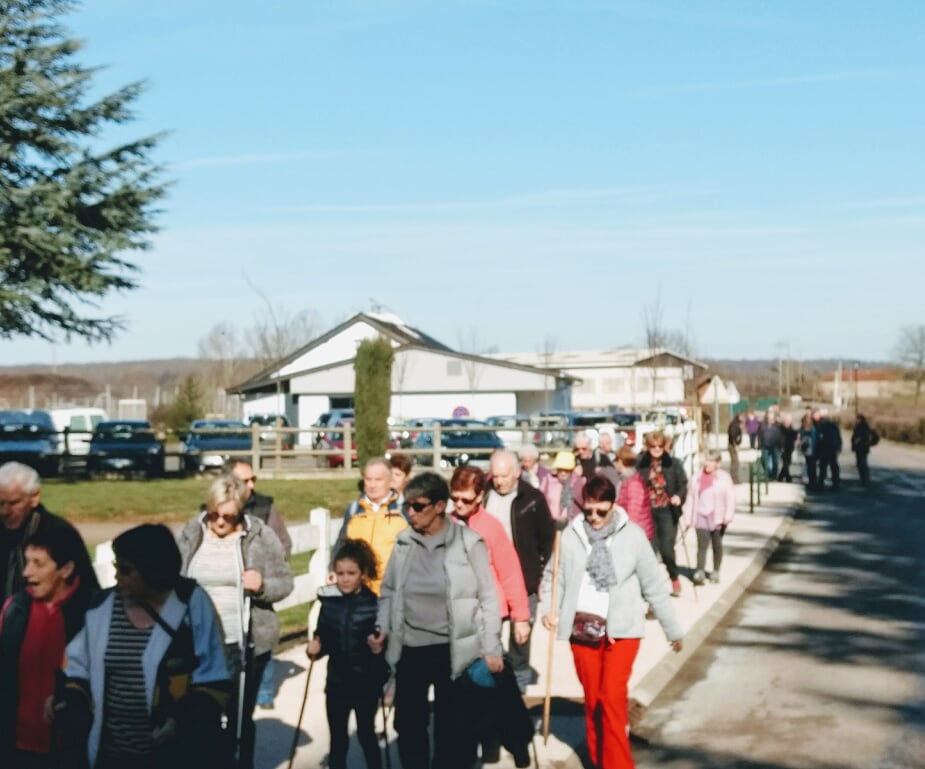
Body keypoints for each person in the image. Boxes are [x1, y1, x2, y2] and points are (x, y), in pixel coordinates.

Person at [540, 476, 683, 769]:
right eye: (589, 510)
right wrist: (550, 609)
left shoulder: (633, 536)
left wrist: (673, 629)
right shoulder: (570, 536)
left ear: (614, 507)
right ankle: (599, 762)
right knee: (593, 701)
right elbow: (555, 578)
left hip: (623, 631)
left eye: (601, 512)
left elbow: (654, 586)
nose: (593, 518)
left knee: (612, 698)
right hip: (582, 630)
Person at [63, 524, 231, 769]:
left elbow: (215, 676)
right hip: (111, 757)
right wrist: (69, 700)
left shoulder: (191, 603)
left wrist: (179, 721)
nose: (117, 577)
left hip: (177, 755)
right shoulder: (102, 607)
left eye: (126, 570)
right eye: (116, 568)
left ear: (153, 570)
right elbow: (77, 667)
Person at [369, 472, 505, 769]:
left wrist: (492, 647)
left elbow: (488, 597)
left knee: (453, 730)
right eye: (407, 506)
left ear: (440, 506)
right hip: (411, 648)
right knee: (408, 725)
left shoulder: (469, 542)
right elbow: (389, 591)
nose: (410, 513)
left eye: (418, 506)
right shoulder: (404, 542)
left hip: (452, 650)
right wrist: (382, 628)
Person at [177, 474, 293, 769]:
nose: (218, 523)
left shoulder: (259, 535)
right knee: (198, 717)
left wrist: (262, 584)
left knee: (239, 720)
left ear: (241, 510)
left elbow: (285, 582)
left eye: (227, 517)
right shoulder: (193, 532)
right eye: (214, 513)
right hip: (197, 645)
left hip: (242, 642)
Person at [448, 465, 534, 766]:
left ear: (480, 497)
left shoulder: (491, 528)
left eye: (466, 500)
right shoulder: (446, 526)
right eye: (454, 499)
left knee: (491, 683)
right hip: (456, 620)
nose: (459, 506)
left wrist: (521, 615)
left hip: (488, 618)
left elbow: (510, 573)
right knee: (465, 691)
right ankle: (483, 742)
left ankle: (511, 738)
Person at [0, 526, 96, 769]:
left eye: (38, 564)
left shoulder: (90, 613)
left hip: (71, 750)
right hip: (15, 748)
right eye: (27, 562)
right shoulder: (15, 609)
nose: (26, 572)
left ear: (66, 569)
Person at [308, 539, 388, 769]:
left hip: (366, 682)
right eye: (340, 573)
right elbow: (322, 636)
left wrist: (378, 649)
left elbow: (384, 645)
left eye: (351, 573)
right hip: (337, 682)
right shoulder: (329, 603)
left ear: (363, 573)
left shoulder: (375, 605)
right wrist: (314, 647)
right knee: (338, 739)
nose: (345, 578)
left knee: (366, 733)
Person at [483, 450, 555, 692]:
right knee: (489, 634)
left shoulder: (532, 499)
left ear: (516, 473)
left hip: (524, 578)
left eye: (504, 476)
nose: (499, 481)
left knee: (520, 637)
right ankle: (494, 682)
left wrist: (540, 569)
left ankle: (519, 686)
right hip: (491, 578)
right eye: (495, 476)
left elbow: (547, 537)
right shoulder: (484, 496)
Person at [229, 459, 291, 710]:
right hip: (227, 603)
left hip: (258, 594)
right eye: (245, 481)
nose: (251, 485)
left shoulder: (265, 507)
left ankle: (264, 691)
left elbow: (282, 544)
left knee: (261, 639)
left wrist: (262, 575)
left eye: (253, 479)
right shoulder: (211, 513)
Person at [0, 462, 99, 606]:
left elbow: (86, 589)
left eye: (14, 503)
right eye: (0, 504)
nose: (5, 512)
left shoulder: (59, 534)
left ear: (34, 497)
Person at [332, 457, 407, 595]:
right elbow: (341, 546)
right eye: (368, 479)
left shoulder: (403, 511)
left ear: (390, 482)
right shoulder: (354, 510)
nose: (372, 485)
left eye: (378, 480)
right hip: (358, 593)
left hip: (392, 593)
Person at [636, 432, 688, 596]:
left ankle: (674, 577)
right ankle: (652, 587)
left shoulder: (673, 463)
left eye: (659, 446)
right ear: (648, 447)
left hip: (667, 510)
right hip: (647, 512)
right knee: (649, 551)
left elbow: (683, 484)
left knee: (666, 549)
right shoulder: (640, 463)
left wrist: (678, 496)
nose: (656, 449)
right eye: (653, 446)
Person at [681, 451, 736, 585]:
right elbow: (690, 498)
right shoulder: (696, 477)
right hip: (700, 515)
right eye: (707, 460)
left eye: (711, 461)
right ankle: (699, 571)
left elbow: (730, 498)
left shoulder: (724, 477)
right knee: (702, 546)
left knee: (717, 545)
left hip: (717, 516)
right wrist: (687, 519)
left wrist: (728, 516)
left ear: (718, 463)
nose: (708, 464)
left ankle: (715, 571)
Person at [614, 447, 654, 545]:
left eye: (616, 460)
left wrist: (627, 533)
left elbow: (634, 512)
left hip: (638, 532)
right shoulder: (626, 480)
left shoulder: (633, 483)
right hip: (635, 531)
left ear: (620, 462)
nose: (614, 464)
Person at [518, 444, 558, 515]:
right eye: (524, 461)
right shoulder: (518, 473)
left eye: (529, 461)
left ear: (535, 460)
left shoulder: (545, 474)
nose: (526, 464)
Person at [549, 450, 586, 528]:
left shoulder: (580, 483)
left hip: (574, 525)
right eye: (560, 469)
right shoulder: (549, 483)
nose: (563, 473)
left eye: (566, 470)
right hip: (552, 525)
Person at [814, 409, 842, 491]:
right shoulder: (834, 426)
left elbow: (818, 438)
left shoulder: (822, 426)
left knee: (823, 467)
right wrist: (838, 447)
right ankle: (835, 484)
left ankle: (821, 484)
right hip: (832, 448)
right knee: (833, 467)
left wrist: (817, 449)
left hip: (825, 448)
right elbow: (838, 438)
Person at [851, 414, 878, 486]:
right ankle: (864, 479)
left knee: (861, 464)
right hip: (864, 448)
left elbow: (859, 437)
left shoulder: (861, 427)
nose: (855, 421)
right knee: (862, 464)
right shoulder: (865, 427)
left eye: (857, 419)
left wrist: (856, 442)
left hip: (861, 448)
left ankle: (864, 480)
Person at [757, 411, 782, 481]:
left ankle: (774, 475)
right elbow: (760, 436)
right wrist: (759, 445)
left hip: (775, 446)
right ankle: (768, 473)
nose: (770, 419)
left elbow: (782, 436)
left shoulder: (778, 426)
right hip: (765, 446)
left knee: (775, 461)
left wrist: (781, 445)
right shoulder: (763, 425)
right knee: (764, 461)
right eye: (769, 418)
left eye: (772, 418)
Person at [798, 411, 817, 488]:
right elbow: (801, 440)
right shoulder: (803, 431)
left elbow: (815, 441)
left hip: (812, 450)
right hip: (806, 450)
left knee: (812, 467)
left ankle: (813, 482)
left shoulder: (813, 430)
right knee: (809, 467)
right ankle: (811, 481)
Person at [778, 414, 798, 482]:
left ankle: (781, 477)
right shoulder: (781, 428)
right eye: (787, 420)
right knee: (785, 463)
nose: (788, 422)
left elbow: (795, 437)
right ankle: (788, 478)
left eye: (789, 421)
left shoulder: (792, 429)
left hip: (790, 448)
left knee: (788, 463)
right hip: (783, 447)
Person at [727, 413, 743, 483]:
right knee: (735, 462)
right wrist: (735, 445)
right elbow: (732, 435)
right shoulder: (734, 425)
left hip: (734, 445)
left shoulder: (736, 424)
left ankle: (734, 478)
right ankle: (733, 478)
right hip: (733, 446)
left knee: (735, 462)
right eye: (741, 417)